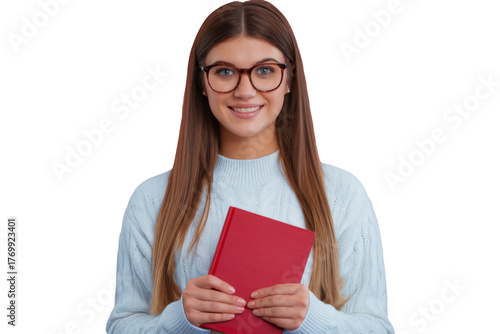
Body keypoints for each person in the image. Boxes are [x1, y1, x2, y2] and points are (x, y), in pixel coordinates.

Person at [106, 0, 394, 333]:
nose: (245, 91)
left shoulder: (342, 194)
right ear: (202, 82)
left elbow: (378, 329)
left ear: (289, 80)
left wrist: (315, 319)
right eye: (225, 71)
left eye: (265, 70)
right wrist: (178, 320)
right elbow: (122, 327)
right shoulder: (153, 199)